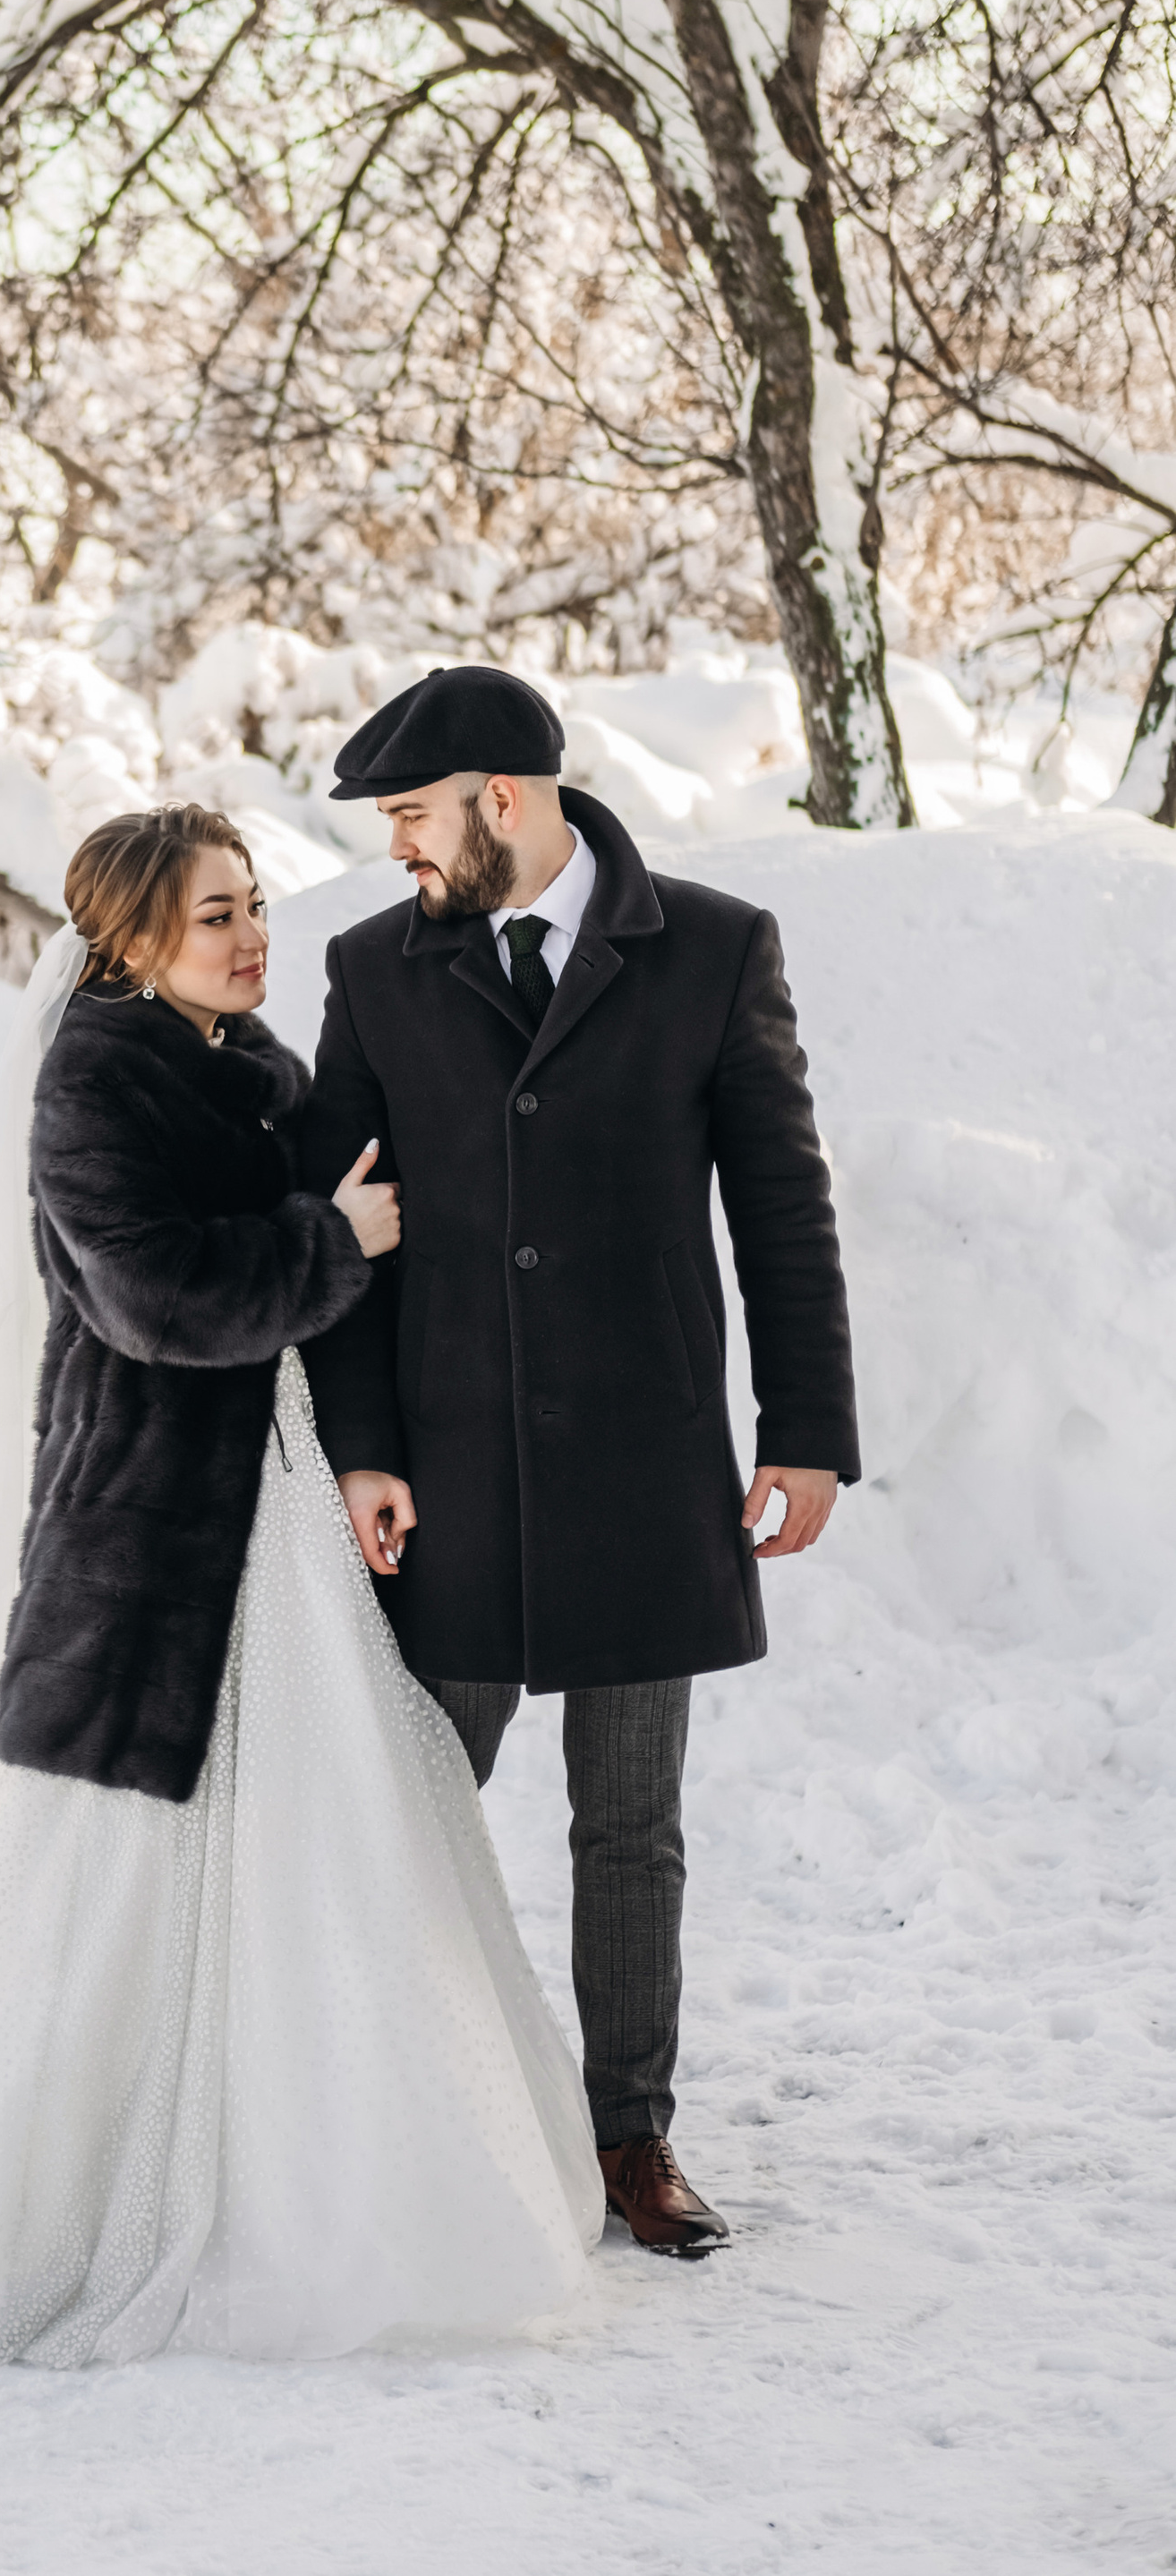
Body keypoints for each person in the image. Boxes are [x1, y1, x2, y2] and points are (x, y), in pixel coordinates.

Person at [0, 799, 603, 2361]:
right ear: (134, 941)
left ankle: (323, 2176)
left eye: (255, 903)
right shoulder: (92, 1079)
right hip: (150, 1532)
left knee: (318, 1839)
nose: (251, 934)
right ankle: (43, 2201)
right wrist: (329, 1239)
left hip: (271, 1513)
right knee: (112, 1876)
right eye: (216, 916)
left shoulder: (249, 1066)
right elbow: (155, 1300)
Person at [299, 664, 862, 2257]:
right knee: (405, 1804)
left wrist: (808, 1429)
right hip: (448, 1472)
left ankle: (631, 2138)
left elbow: (782, 1203)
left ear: (502, 795)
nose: (395, 849)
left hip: (645, 1458)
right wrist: (363, 1450)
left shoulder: (714, 947)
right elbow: (339, 1231)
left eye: (410, 814)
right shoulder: (373, 969)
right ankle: (396, 2112)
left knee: (633, 1828)